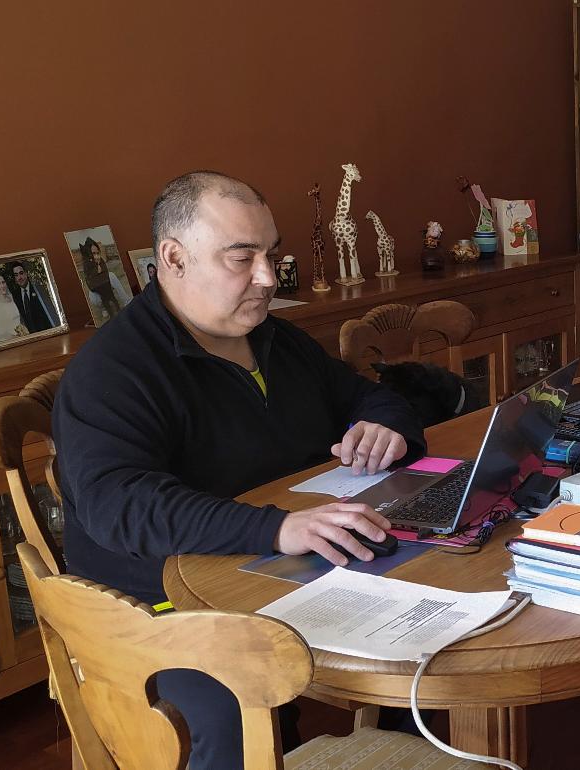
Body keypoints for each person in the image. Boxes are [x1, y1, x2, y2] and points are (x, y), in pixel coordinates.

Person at [52, 170, 426, 768]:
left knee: (426, 619)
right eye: (241, 257)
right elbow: (117, 504)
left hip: (274, 569)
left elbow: (364, 394)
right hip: (157, 603)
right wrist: (274, 529)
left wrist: (385, 425)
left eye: (270, 253)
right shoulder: (113, 370)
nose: (267, 278)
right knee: (230, 703)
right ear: (172, 258)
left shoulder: (274, 338)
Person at [9, 260, 59, 332]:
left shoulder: (38, 289)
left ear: (26, 273)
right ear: (15, 279)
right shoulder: (15, 296)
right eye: (16, 275)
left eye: (21, 273)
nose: (19, 277)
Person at [79, 236, 122, 320]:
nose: (96, 255)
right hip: (97, 287)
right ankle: (108, 311)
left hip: (105, 284)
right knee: (104, 299)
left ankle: (119, 307)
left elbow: (105, 271)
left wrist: (100, 269)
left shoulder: (100, 260)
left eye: (97, 253)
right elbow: (89, 277)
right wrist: (96, 271)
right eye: (93, 253)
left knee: (112, 296)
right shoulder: (87, 263)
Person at [0, 271, 27, 342]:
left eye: (3, 282)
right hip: (7, 339)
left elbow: (19, 318)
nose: (2, 286)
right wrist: (14, 337)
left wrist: (23, 331)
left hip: (21, 336)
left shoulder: (12, 297)